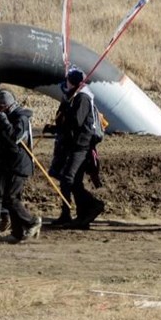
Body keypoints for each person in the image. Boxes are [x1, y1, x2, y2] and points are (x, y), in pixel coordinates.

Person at [0, 90, 42, 243]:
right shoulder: (3, 116)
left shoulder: (21, 118)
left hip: (18, 164)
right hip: (4, 162)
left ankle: (32, 221)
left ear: (7, 106)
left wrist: (4, 121)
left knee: (11, 197)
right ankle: (13, 232)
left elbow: (16, 138)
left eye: (1, 107)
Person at [53, 68, 105, 229]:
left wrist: (67, 109)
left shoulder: (82, 98)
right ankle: (70, 214)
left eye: (68, 81)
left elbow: (76, 122)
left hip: (82, 146)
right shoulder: (74, 96)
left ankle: (93, 206)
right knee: (69, 179)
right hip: (73, 145)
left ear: (72, 82)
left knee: (70, 179)